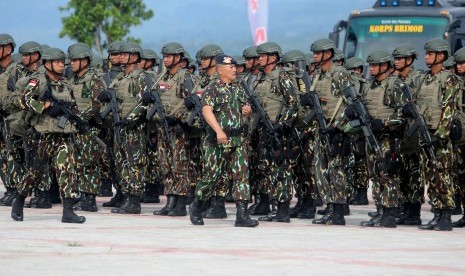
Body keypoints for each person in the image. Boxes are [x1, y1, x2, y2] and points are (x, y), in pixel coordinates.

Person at [11, 47, 85, 223]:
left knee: (67, 169)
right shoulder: (37, 81)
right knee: (35, 173)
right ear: (48, 63)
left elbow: (72, 106)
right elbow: (22, 100)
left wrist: (78, 120)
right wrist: (45, 106)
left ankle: (68, 211)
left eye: (63, 62)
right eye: (58, 62)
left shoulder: (65, 83)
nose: (62, 65)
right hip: (42, 135)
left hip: (63, 135)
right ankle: (19, 200)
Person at [189, 54, 258, 227]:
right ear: (220, 70)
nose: (234, 70)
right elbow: (207, 111)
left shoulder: (239, 88)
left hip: (238, 140)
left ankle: (242, 215)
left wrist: (247, 111)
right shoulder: (212, 89)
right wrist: (219, 131)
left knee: (241, 176)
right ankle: (196, 206)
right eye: (230, 67)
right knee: (212, 177)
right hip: (218, 140)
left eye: (235, 67)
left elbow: (244, 108)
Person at [403, 39, 461, 231]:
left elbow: (449, 110)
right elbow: (416, 101)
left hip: (439, 137)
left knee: (443, 175)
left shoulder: (449, 79)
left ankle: (445, 215)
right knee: (431, 175)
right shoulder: (423, 79)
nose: (426, 56)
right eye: (426, 54)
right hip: (425, 133)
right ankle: (437, 212)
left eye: (430, 53)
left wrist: (441, 135)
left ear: (441, 56)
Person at [347, 50, 404, 228]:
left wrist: (386, 123)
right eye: (370, 65)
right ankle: (380, 210)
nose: (371, 69)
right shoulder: (370, 86)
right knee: (375, 175)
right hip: (370, 135)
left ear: (385, 66)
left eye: (374, 65)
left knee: (388, 175)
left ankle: (389, 213)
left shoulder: (395, 85)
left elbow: (405, 114)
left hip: (388, 138)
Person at [306, 38, 353, 226]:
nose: (315, 56)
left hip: (335, 131)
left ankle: (339, 211)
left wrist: (338, 127)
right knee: (321, 170)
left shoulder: (339, 74)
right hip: (321, 129)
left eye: (318, 53)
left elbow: (351, 104)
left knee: (336, 172)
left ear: (328, 54)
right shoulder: (318, 75)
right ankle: (330, 207)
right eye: (314, 53)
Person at [251, 42, 299, 223]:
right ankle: (274, 207)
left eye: (263, 56)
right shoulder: (261, 79)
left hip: (280, 132)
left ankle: (283, 210)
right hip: (264, 131)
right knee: (269, 170)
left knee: (281, 170)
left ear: (273, 58)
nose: (260, 59)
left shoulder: (282, 77)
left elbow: (294, 104)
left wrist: (283, 124)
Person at [99, 42, 149, 214]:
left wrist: (131, 119)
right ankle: (126, 195)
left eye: (124, 54)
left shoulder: (141, 77)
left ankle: (134, 200)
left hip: (133, 128)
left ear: (134, 57)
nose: (120, 57)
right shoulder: (120, 78)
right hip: (119, 126)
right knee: (121, 163)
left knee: (134, 162)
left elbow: (145, 102)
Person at [149, 42, 193, 216]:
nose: (165, 59)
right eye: (164, 56)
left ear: (178, 58)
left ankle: (180, 202)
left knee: (179, 165)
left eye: (168, 56)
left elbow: (191, 104)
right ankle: (170, 200)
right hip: (162, 127)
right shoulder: (162, 78)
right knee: (165, 164)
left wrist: (178, 118)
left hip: (177, 129)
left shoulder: (185, 78)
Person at [67, 44, 105, 212]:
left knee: (89, 164)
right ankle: (82, 195)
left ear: (84, 61)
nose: (72, 63)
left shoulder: (94, 79)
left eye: (75, 60)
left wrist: (80, 118)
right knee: (78, 163)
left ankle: (90, 199)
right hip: (75, 128)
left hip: (89, 128)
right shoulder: (72, 80)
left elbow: (96, 104)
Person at [391, 44, 424, 226]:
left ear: (409, 60)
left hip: (414, 132)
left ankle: (414, 211)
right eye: (395, 59)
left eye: (400, 59)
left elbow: (424, 102)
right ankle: (405, 208)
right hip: (399, 131)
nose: (396, 62)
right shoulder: (394, 80)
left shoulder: (418, 79)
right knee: (402, 173)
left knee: (415, 173)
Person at [344, 57, 369, 206]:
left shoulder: (362, 85)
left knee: (360, 163)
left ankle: (361, 193)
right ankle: (356, 192)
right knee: (354, 162)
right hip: (353, 127)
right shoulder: (358, 84)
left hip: (360, 129)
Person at [452, 47, 465, 228]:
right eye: (458, 63)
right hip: (460, 137)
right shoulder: (456, 84)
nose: (459, 66)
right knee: (461, 177)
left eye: (463, 63)